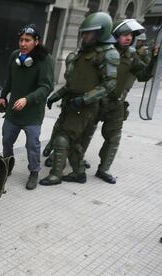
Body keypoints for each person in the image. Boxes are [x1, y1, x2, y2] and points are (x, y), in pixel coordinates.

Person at [39, 12, 120, 186]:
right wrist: (56, 96)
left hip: (86, 106)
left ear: (101, 32)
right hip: (73, 102)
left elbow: (109, 84)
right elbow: (73, 83)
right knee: (73, 140)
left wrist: (84, 99)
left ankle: (56, 175)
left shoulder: (108, 54)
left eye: (89, 33)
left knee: (63, 137)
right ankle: (79, 173)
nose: (85, 36)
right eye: (84, 33)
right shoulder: (85, 52)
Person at [78, 19, 156, 184]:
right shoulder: (104, 51)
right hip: (96, 100)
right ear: (115, 35)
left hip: (116, 104)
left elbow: (142, 75)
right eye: (125, 34)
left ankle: (103, 169)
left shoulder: (132, 55)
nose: (129, 38)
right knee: (84, 133)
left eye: (131, 35)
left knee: (114, 137)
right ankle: (75, 160)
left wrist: (154, 61)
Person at [0, 24, 54, 190]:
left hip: (32, 113)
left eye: (27, 40)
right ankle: (7, 166)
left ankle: (34, 172)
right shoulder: (15, 57)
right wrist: (2, 96)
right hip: (14, 111)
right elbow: (10, 80)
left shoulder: (45, 60)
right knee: (7, 140)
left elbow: (46, 87)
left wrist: (27, 100)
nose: (22, 44)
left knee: (32, 145)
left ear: (36, 42)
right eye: (21, 40)